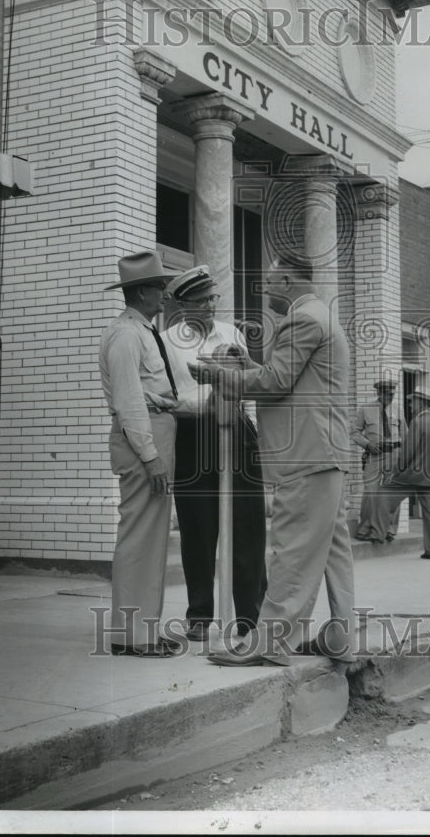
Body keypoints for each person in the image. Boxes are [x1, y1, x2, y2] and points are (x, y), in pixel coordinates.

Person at [189, 253, 356, 667]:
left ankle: (268, 645)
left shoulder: (301, 320)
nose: (265, 291)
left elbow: (275, 383)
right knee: (334, 552)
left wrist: (219, 376)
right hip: (325, 453)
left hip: (305, 455)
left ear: (286, 281)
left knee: (291, 550)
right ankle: (340, 636)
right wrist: (248, 366)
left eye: (269, 282)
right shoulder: (320, 315)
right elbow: (288, 378)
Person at [160, 265, 267, 641]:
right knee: (198, 526)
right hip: (193, 432)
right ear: (183, 305)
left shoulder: (232, 333)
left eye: (212, 298)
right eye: (201, 301)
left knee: (247, 523)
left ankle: (251, 615)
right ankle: (200, 615)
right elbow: (166, 397)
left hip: (235, 428)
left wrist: (245, 424)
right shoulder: (165, 341)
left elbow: (250, 381)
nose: (210, 306)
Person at [98, 250, 180, 657]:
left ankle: (145, 629)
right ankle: (131, 636)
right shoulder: (127, 334)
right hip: (142, 437)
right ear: (143, 291)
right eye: (160, 286)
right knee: (139, 539)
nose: (165, 293)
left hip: (154, 431)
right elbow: (130, 401)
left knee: (152, 540)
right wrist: (150, 457)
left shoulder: (140, 330)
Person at [384, 386, 430, 559]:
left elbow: (407, 453)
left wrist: (396, 472)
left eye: (412, 402)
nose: (410, 405)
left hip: (413, 476)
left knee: (385, 497)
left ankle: (382, 532)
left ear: (421, 402)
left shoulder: (417, 422)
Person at [350, 379, 404, 544]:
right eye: (388, 394)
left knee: (392, 492)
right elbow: (354, 432)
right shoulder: (366, 409)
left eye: (393, 394)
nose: (391, 397)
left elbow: (405, 434)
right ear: (379, 393)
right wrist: (367, 444)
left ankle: (389, 530)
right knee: (371, 491)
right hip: (374, 454)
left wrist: (405, 456)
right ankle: (366, 529)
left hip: (394, 454)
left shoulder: (398, 409)